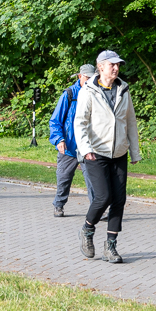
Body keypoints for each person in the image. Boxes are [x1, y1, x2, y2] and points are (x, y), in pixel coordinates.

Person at [74, 51, 141, 263]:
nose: (116, 68)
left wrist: (134, 151)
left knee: (119, 199)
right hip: (96, 152)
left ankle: (111, 246)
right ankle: (87, 229)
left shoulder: (123, 89)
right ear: (100, 66)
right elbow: (80, 122)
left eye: (118, 65)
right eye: (112, 65)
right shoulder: (88, 91)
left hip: (119, 152)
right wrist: (85, 149)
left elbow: (130, 122)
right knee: (103, 197)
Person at [49, 64, 96, 217]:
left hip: (88, 147)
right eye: (87, 78)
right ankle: (58, 205)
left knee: (93, 181)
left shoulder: (96, 94)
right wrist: (59, 140)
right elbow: (55, 121)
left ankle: (97, 211)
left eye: (93, 78)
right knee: (64, 178)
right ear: (80, 76)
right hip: (69, 147)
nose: (90, 81)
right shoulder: (69, 94)